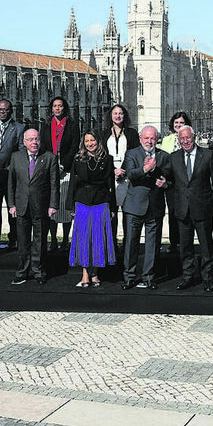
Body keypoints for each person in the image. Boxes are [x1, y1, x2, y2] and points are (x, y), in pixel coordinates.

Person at [165, 125, 213, 292]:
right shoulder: (174, 157)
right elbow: (168, 178)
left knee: (206, 246)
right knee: (185, 247)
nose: (185, 141)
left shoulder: (207, 155)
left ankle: (208, 278)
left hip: (203, 208)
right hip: (182, 209)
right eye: (182, 139)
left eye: (188, 137)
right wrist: (161, 179)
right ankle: (187, 277)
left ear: (194, 137)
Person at [8, 129, 59, 285]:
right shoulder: (16, 157)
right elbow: (11, 183)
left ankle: (38, 271)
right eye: (30, 139)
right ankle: (22, 271)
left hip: (41, 206)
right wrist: (11, 204)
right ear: (24, 142)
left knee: (40, 241)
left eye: (36, 139)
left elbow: (54, 184)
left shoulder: (50, 157)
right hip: (21, 206)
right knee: (22, 241)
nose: (34, 142)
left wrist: (53, 205)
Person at [67, 129, 117, 287]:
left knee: (97, 239)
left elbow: (111, 185)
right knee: (84, 239)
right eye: (87, 141)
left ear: (98, 141)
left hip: (101, 202)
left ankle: (95, 273)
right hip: (82, 202)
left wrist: (113, 207)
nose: (90, 144)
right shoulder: (78, 159)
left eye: (92, 140)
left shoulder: (107, 159)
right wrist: (70, 206)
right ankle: (85, 275)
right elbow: (72, 184)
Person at [121, 125, 168, 290]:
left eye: (152, 138)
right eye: (146, 138)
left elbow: (170, 177)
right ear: (141, 138)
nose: (149, 141)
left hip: (155, 207)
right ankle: (129, 277)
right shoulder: (131, 153)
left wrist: (165, 183)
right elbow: (130, 174)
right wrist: (145, 169)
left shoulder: (164, 156)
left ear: (157, 139)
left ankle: (149, 277)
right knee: (131, 243)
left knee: (152, 245)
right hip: (134, 206)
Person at [39, 96, 79, 252]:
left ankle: (65, 240)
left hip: (66, 169)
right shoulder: (46, 125)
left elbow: (74, 147)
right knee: (52, 206)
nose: (57, 108)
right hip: (50, 168)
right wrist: (52, 165)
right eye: (55, 106)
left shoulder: (72, 125)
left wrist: (63, 165)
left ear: (64, 108)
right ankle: (54, 239)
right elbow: (43, 145)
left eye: (60, 106)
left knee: (65, 206)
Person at [0, 99, 25, 250]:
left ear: (11, 111)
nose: (2, 112)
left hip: (10, 175)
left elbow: (21, 152)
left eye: (5, 110)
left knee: (12, 208)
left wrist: (7, 170)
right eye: (0, 109)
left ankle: (14, 238)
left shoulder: (19, 128)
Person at [104, 104, 140, 249]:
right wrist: (113, 170)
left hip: (127, 176)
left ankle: (127, 246)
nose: (118, 116)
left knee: (127, 213)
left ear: (124, 116)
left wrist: (123, 169)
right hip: (110, 176)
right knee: (111, 213)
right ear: (110, 116)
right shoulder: (104, 134)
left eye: (120, 113)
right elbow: (102, 154)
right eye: (115, 113)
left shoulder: (131, 133)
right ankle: (111, 244)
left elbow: (134, 153)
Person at [160, 110, 191, 254]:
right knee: (172, 213)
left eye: (182, 123)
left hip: (186, 183)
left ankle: (186, 244)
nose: (179, 125)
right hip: (171, 184)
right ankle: (174, 243)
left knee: (186, 214)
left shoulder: (190, 138)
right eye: (176, 122)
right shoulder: (167, 140)